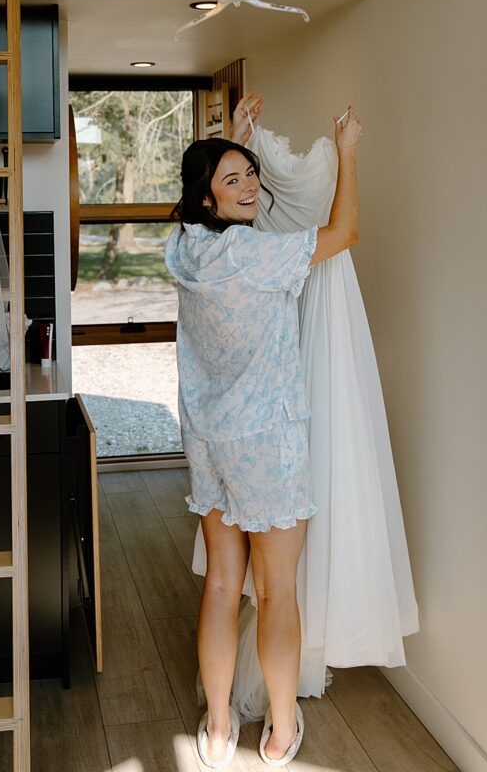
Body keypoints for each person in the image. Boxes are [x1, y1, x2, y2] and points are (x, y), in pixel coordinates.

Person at [164, 107, 361, 768]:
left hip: (208, 441)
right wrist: (347, 152)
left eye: (250, 174)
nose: (250, 186)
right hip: (266, 445)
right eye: (234, 180)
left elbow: (216, 211)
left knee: (223, 586)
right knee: (276, 591)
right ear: (206, 197)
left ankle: (219, 728)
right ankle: (279, 733)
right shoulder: (251, 255)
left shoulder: (185, 249)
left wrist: (237, 144)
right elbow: (344, 232)